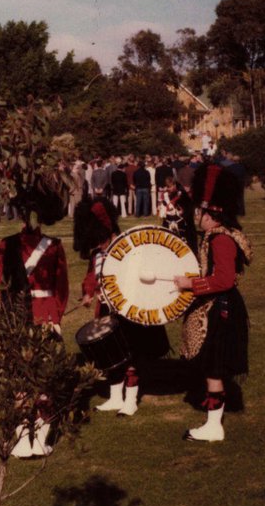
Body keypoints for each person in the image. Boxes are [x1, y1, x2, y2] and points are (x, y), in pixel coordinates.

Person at [173, 163, 253, 442]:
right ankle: (213, 422)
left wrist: (190, 285)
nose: (198, 217)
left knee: (215, 367)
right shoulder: (218, 235)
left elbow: (223, 280)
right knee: (212, 367)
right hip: (220, 305)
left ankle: (214, 426)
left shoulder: (220, 239)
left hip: (222, 308)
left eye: (201, 212)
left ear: (211, 215)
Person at [76, 197, 170, 417]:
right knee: (110, 356)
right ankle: (115, 397)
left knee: (130, 357)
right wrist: (88, 293)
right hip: (106, 311)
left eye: (100, 239)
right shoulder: (96, 253)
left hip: (129, 310)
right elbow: (91, 277)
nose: (98, 244)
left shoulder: (129, 247)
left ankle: (130, 400)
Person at [0, 184, 68, 458]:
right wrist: (55, 316)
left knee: (20, 379)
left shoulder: (5, 244)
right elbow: (62, 289)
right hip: (46, 315)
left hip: (16, 316)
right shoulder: (54, 246)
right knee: (44, 382)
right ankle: (38, 437)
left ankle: (22, 439)